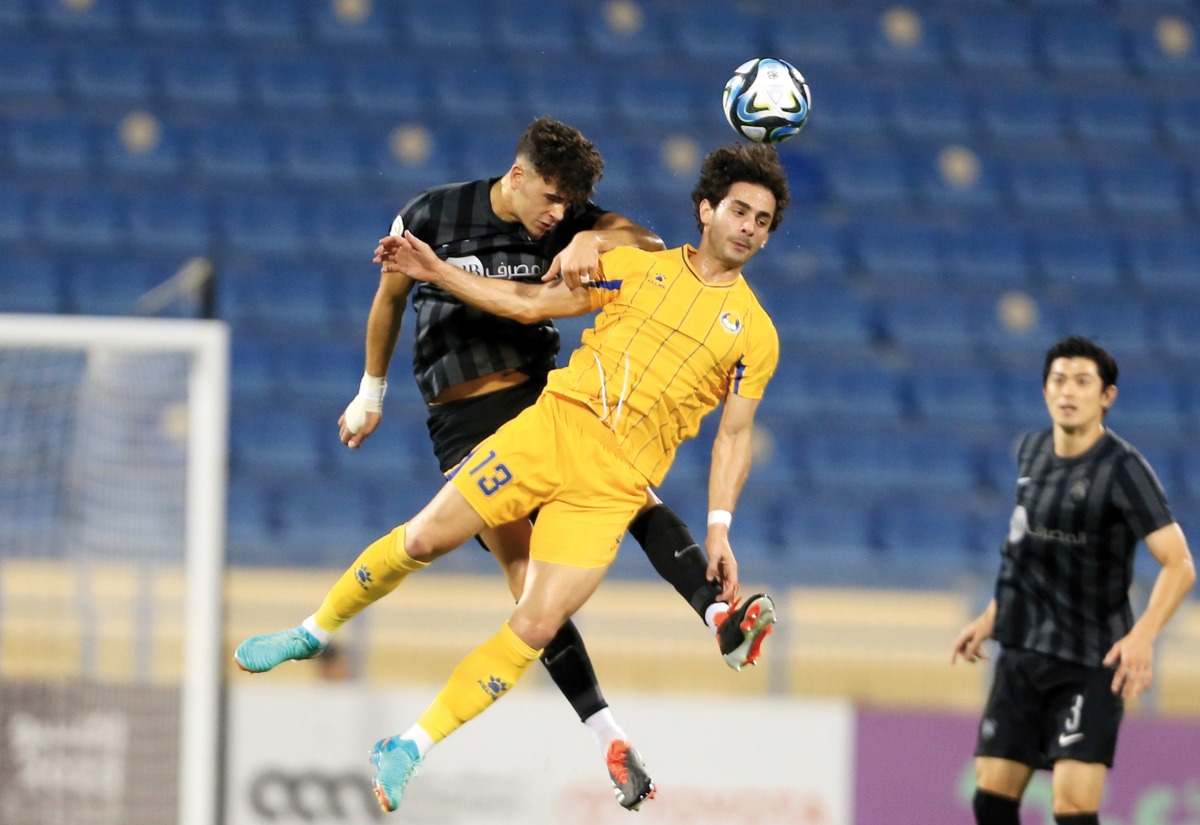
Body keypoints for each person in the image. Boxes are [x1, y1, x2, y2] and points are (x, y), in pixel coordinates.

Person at [234, 141, 790, 814]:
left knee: (534, 621)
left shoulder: (756, 335)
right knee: (423, 540)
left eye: (762, 220)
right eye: (739, 210)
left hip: (612, 489)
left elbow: (734, 436)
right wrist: (436, 268)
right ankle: (312, 631)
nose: (749, 228)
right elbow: (526, 304)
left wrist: (721, 526)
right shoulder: (636, 267)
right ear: (706, 209)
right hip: (548, 432)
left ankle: (409, 745)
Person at [951, 336, 1196, 825]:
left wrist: (1143, 635)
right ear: (1045, 390)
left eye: (1083, 382)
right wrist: (991, 617)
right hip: (1022, 652)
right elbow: (1024, 552)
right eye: (1058, 380)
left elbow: (1180, 564)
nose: (1068, 391)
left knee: (1072, 810)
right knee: (991, 799)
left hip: (1090, 660)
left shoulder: (1124, 469)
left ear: (1106, 396)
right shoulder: (1032, 451)